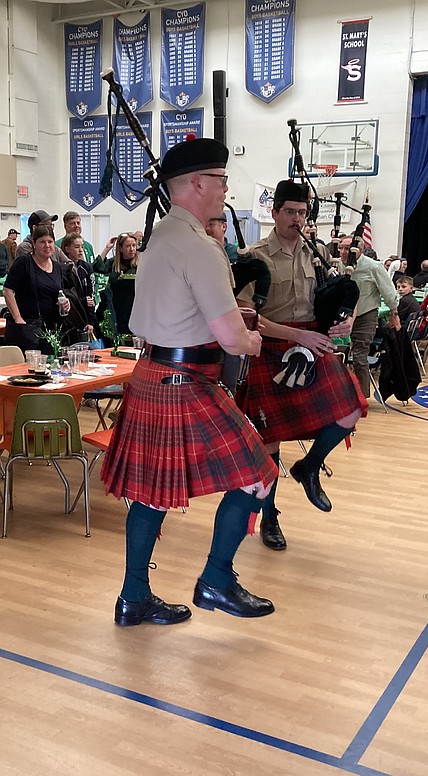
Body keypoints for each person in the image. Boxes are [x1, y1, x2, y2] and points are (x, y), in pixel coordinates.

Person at [100, 136, 278, 627]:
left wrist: (222, 321)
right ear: (197, 183)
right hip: (186, 381)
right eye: (220, 180)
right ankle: (217, 580)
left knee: (152, 494)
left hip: (152, 374)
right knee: (259, 476)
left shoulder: (159, 239)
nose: (226, 188)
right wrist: (251, 341)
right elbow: (229, 337)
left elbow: (163, 311)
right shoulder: (199, 247)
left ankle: (133, 597)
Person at [236, 180, 367, 551]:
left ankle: (310, 466)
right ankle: (270, 517)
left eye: (302, 212)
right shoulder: (253, 257)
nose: (296, 219)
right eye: (290, 212)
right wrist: (297, 337)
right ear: (274, 212)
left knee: (351, 409)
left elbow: (340, 294)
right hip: (270, 347)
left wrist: (348, 318)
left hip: (311, 343)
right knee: (271, 438)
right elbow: (247, 317)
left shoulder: (317, 252)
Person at [341, 234, 400, 399]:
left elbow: (389, 292)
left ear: (359, 250)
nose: (343, 252)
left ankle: (361, 397)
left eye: (347, 248)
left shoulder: (373, 267)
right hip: (343, 316)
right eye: (341, 248)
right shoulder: (337, 264)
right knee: (339, 354)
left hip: (365, 315)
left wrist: (394, 314)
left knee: (360, 357)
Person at [3, 224, 73, 353]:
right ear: (34, 244)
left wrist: (64, 304)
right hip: (27, 329)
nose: (47, 245)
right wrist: (18, 318)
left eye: (50, 241)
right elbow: (8, 290)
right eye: (42, 242)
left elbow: (58, 293)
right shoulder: (24, 262)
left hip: (50, 331)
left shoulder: (58, 267)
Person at [92, 232, 139, 337]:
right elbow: (97, 268)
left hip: (134, 309)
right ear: (121, 249)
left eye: (134, 245)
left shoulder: (141, 264)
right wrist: (107, 248)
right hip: (116, 310)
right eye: (127, 246)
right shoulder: (113, 263)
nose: (132, 249)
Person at [60, 232, 97, 335]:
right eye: (76, 247)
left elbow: (91, 295)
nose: (81, 250)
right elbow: (66, 296)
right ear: (67, 249)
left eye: (82, 246)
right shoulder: (62, 269)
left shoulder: (86, 267)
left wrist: (91, 321)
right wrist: (83, 301)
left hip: (86, 316)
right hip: (70, 320)